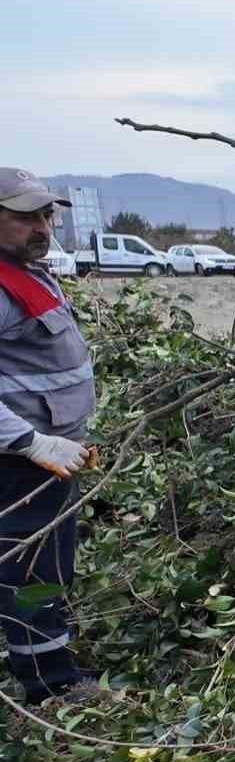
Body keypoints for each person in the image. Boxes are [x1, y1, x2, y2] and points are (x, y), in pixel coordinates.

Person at [0, 168, 94, 705]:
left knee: (48, 563)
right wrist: (28, 442)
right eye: (24, 216)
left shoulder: (26, 272)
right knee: (29, 568)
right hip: (20, 462)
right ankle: (50, 688)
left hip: (53, 453)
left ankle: (47, 659)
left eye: (45, 215)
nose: (41, 227)